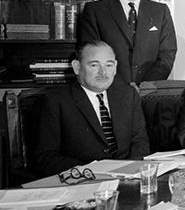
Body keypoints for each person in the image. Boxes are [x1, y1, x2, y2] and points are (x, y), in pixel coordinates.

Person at [34, 41, 150, 176]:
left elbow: (140, 141)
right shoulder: (55, 101)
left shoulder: (128, 95)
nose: (103, 72)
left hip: (128, 178)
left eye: (109, 65)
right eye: (94, 65)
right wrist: (93, 172)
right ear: (77, 67)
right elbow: (45, 157)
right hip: (82, 182)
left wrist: (132, 170)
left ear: (116, 67)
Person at [78, 0, 177, 86]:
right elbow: (90, 54)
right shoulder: (95, 11)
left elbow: (167, 54)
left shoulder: (161, 11)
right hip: (110, 90)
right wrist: (120, 88)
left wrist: (144, 86)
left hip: (148, 92)